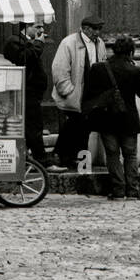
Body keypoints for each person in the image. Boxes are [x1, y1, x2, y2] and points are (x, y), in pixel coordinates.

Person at [83, 34, 140, 200]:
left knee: (112, 155)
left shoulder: (99, 68)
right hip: (128, 119)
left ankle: (118, 190)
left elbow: (91, 92)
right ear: (131, 52)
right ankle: (133, 191)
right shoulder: (135, 70)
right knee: (131, 155)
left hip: (107, 118)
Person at [50, 16, 107, 169]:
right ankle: (63, 156)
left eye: (99, 29)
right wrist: (68, 90)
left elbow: (102, 65)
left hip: (91, 94)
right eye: (95, 29)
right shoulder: (69, 42)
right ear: (85, 28)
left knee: (85, 127)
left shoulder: (100, 43)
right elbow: (59, 69)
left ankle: (77, 161)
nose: (98, 32)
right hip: (74, 94)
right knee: (75, 124)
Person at [3, 24, 49, 162]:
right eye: (37, 26)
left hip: (32, 92)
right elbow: (25, 59)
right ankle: (42, 162)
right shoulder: (15, 41)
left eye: (42, 27)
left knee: (31, 127)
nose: (41, 30)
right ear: (26, 26)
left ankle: (26, 159)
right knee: (34, 127)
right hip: (25, 91)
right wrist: (39, 44)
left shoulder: (26, 41)